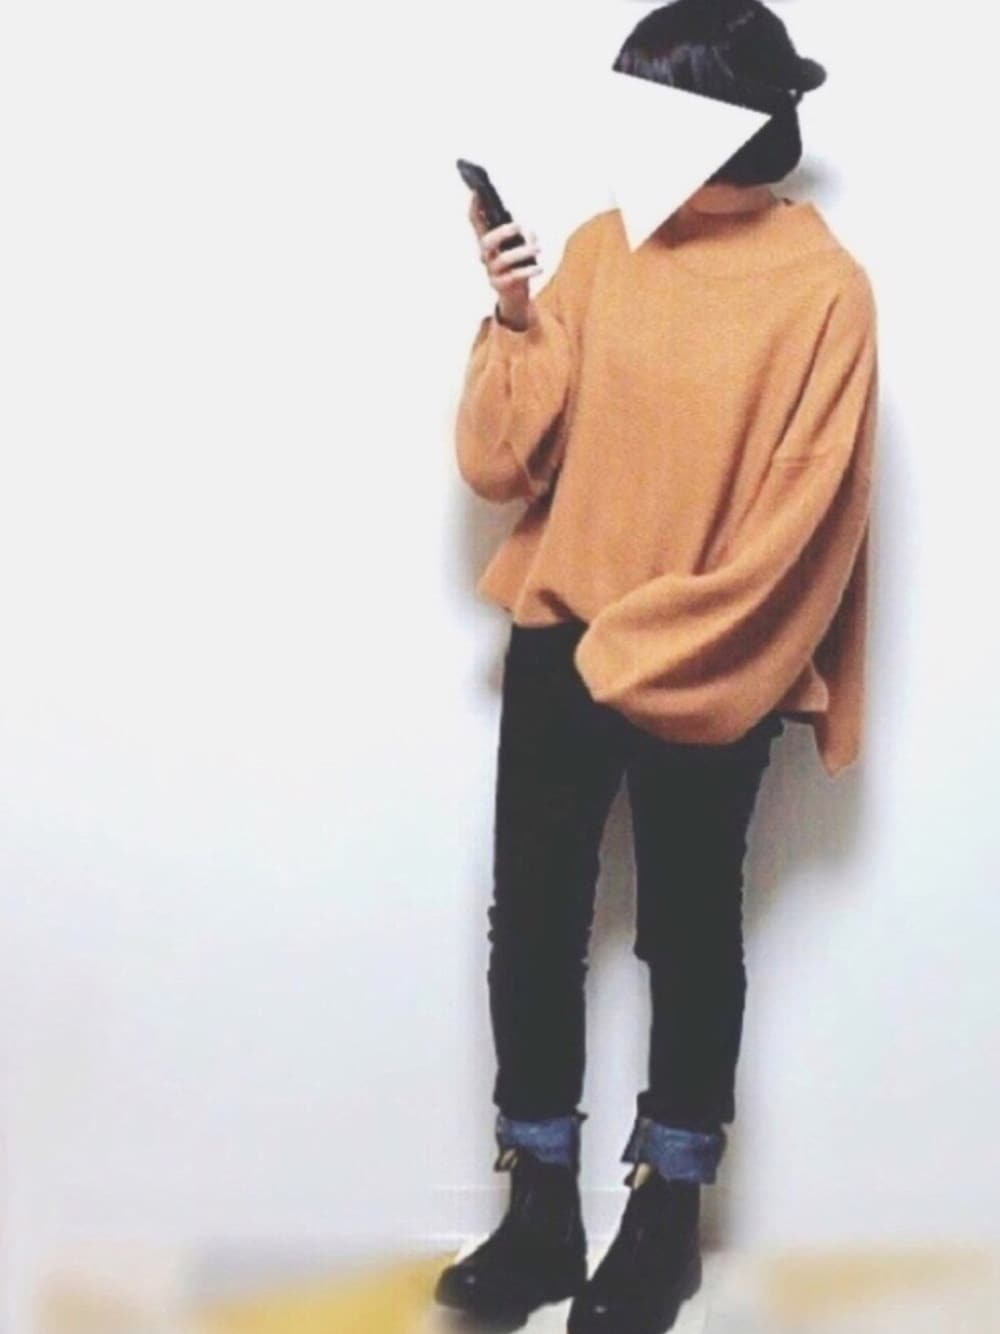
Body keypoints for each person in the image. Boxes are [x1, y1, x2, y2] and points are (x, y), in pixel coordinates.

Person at [435, 2, 878, 1331]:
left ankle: (668, 1217)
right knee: (532, 927)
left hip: (714, 665)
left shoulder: (823, 292)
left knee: (687, 939)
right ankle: (539, 1211)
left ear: (729, 120)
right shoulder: (598, 247)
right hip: (564, 643)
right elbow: (501, 465)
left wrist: (643, 643)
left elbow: (804, 528)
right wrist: (516, 317)